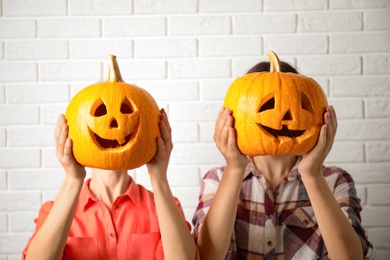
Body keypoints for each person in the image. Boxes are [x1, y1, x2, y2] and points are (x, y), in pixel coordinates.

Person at [192, 61, 375, 259]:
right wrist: (235, 168)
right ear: (238, 116)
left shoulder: (335, 181)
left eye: (301, 106)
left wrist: (312, 174)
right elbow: (207, 257)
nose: (286, 118)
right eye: (267, 106)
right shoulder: (217, 179)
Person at [22, 109, 198, 260]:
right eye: (100, 114)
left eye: (125, 112)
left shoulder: (164, 206)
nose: (113, 124)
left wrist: (159, 178)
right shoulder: (53, 212)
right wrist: (73, 179)